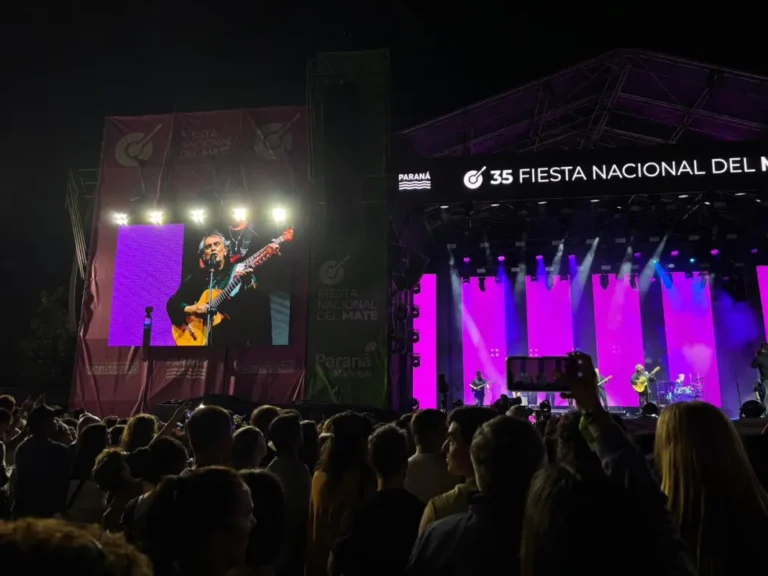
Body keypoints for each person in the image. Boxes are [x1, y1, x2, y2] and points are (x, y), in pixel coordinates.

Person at [330, 425, 425, 576]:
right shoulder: (421, 512)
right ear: (405, 464)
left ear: (372, 463)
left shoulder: (358, 514)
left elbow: (334, 564)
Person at [166, 230, 271, 346]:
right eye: (208, 247)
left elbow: (255, 303)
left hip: (232, 341)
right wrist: (193, 308)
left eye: (217, 244)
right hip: (200, 342)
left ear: (225, 251)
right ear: (204, 255)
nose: (213, 248)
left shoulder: (238, 271)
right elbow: (172, 304)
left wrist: (248, 283)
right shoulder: (196, 278)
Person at [751, 343, 768, 411]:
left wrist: (757, 355)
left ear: (762, 349)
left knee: (766, 399)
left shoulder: (759, 357)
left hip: (766, 381)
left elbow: (753, 365)